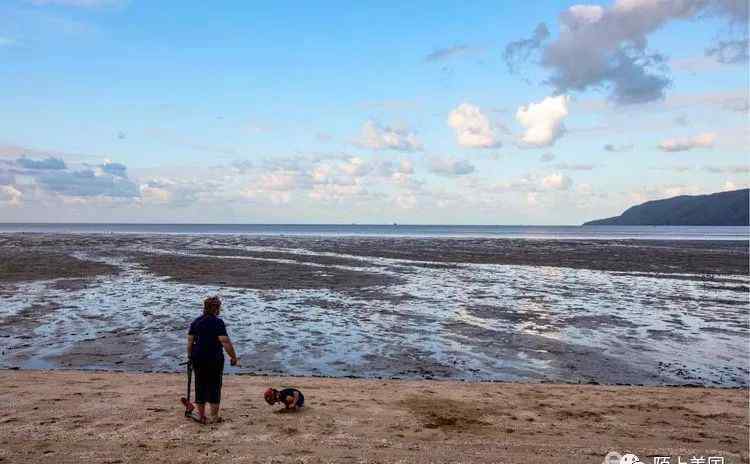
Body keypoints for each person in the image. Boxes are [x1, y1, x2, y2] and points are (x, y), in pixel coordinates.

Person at [181, 296, 238, 424]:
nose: (220, 310)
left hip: (198, 358)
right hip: (214, 358)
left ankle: (201, 415)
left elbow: (190, 342)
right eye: (218, 307)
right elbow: (225, 341)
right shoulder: (218, 322)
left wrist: (190, 357)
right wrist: (233, 357)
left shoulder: (196, 322)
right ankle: (214, 416)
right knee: (215, 385)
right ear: (215, 308)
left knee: (200, 385)